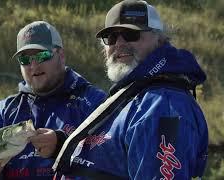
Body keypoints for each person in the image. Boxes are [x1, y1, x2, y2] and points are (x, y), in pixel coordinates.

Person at [34, 1, 209, 179]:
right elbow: (114, 159)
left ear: (159, 38)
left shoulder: (163, 106)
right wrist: (61, 145)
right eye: (111, 37)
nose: (119, 43)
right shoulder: (137, 93)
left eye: (130, 34)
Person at [0, 21, 106, 179]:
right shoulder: (1, 112)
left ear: (61, 56)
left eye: (42, 55)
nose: (33, 65)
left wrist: (61, 147)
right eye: (25, 60)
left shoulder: (96, 103)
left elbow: (111, 163)